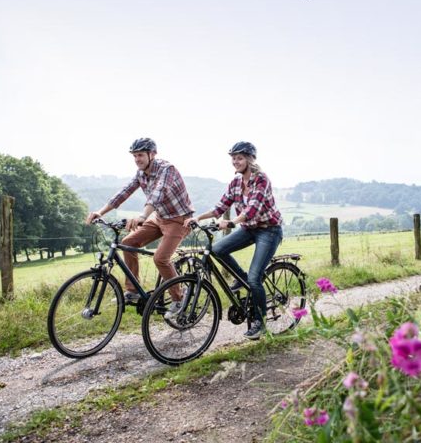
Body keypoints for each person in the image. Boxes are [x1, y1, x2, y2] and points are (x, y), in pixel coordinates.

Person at [184, 141, 283, 340]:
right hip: (249, 228)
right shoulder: (235, 182)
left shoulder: (261, 179)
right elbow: (219, 207)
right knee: (217, 249)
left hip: (269, 230)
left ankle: (260, 322)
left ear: (250, 159)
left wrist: (231, 222)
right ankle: (242, 279)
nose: (235, 162)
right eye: (233, 158)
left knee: (256, 277)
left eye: (239, 158)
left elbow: (251, 210)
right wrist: (198, 218)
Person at [85, 137, 194, 318]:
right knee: (128, 243)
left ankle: (179, 299)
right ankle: (133, 290)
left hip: (178, 220)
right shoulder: (140, 173)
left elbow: (157, 194)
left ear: (152, 154)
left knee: (160, 258)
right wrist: (100, 212)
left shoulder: (167, 169)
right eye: (135, 156)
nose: (137, 159)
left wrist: (143, 216)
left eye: (141, 155)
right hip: (159, 218)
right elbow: (123, 193)